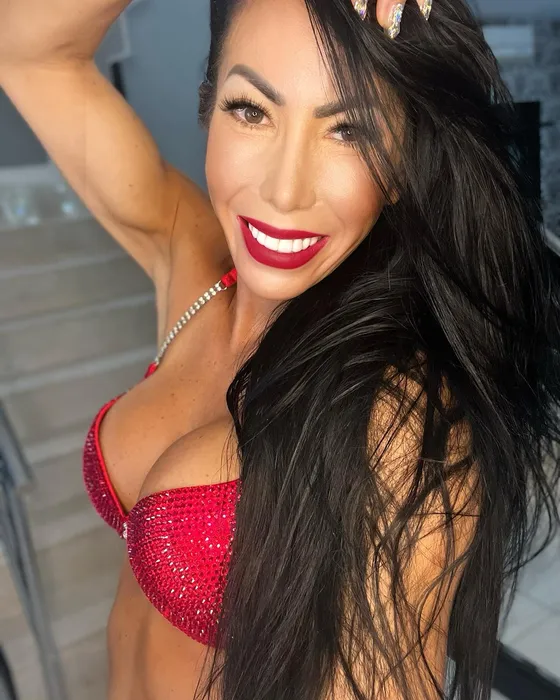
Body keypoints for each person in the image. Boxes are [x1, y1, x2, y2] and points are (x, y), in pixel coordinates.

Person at [1, 0, 559, 697]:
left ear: (400, 168)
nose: (284, 190)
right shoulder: (194, 264)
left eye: (350, 130)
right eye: (251, 110)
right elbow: (27, 51)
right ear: (208, 105)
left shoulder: (402, 423)